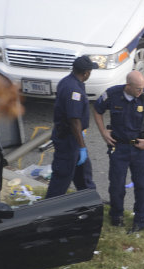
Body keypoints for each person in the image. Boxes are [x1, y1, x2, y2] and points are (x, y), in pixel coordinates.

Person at [93, 70, 144, 233]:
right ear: (128, 86)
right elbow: (97, 110)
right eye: (138, 88)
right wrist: (103, 132)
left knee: (142, 185)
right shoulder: (112, 94)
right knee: (116, 185)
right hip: (119, 147)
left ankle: (140, 220)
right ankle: (116, 216)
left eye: (143, 88)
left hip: (139, 148)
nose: (141, 91)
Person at [45, 56, 98, 198]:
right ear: (86, 73)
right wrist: (81, 146)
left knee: (83, 175)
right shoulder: (74, 90)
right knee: (62, 178)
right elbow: (74, 120)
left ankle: (89, 201)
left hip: (74, 138)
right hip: (69, 140)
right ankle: (49, 211)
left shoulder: (67, 81)